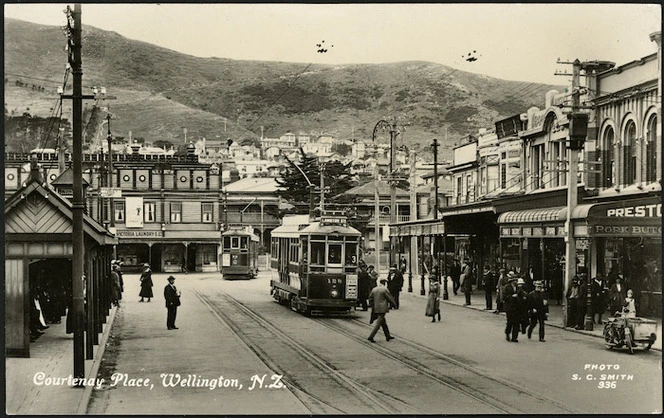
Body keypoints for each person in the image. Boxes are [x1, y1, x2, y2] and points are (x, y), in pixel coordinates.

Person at [367, 278, 396, 342]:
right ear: (384, 283)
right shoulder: (384, 289)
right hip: (382, 308)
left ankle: (387, 335)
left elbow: (370, 298)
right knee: (378, 323)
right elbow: (389, 297)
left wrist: (373, 306)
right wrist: (394, 304)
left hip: (376, 308)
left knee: (383, 323)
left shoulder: (374, 289)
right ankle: (371, 336)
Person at [503, 273, 526, 342]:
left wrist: (524, 296)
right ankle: (507, 333)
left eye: (516, 280)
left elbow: (522, 294)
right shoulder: (507, 287)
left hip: (517, 307)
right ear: (511, 281)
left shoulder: (519, 288)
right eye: (514, 280)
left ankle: (514, 337)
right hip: (509, 307)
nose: (516, 282)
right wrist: (511, 296)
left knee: (516, 323)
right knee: (510, 322)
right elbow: (504, 297)